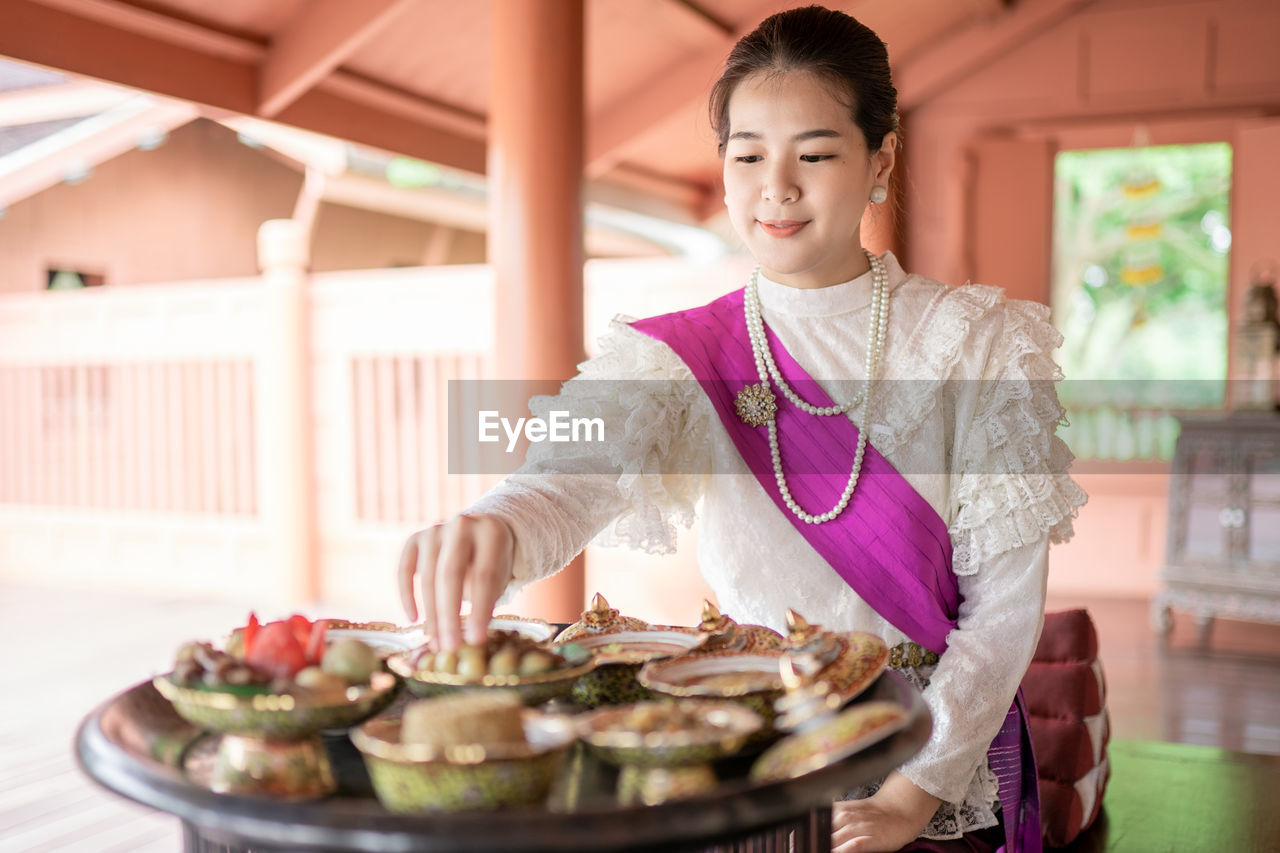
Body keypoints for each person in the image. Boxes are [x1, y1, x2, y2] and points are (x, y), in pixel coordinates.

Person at [397, 6, 1085, 852]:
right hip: (755, 759)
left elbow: (1004, 611)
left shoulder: (977, 346)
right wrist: (498, 523)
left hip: (933, 763)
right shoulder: (675, 357)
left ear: (881, 161)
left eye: (816, 154)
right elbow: (569, 477)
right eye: (748, 153)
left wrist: (911, 796)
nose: (777, 188)